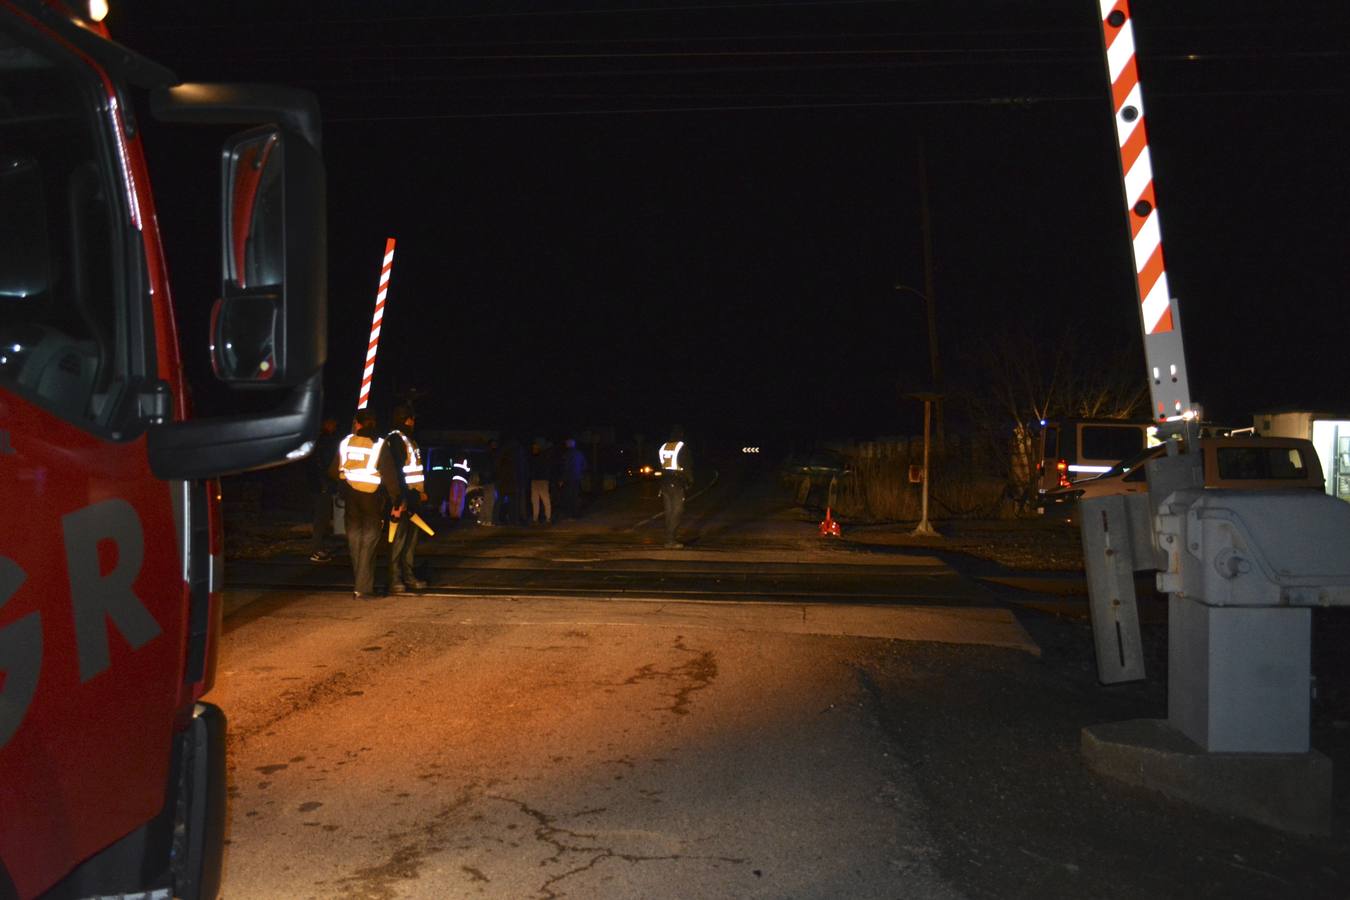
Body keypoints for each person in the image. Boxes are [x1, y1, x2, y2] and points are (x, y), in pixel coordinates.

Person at [330, 410, 401, 599]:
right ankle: (362, 588)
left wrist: (343, 482)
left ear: (358, 424)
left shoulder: (345, 443)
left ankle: (359, 584)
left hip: (351, 497)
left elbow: (333, 470)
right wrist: (397, 500)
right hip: (372, 498)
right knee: (369, 542)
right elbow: (390, 475)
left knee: (354, 541)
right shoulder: (379, 445)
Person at [385, 405, 428, 592]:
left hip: (413, 497)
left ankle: (408, 575)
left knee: (411, 540)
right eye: (412, 418)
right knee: (399, 540)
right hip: (404, 498)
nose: (414, 422)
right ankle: (395, 579)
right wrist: (400, 499)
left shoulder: (409, 439)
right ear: (406, 419)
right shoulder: (396, 439)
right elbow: (395, 471)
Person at [308, 417, 340, 561]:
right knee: (321, 517)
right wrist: (324, 484)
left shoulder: (323, 440)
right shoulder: (322, 441)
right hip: (322, 485)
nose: (334, 426)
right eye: (331, 423)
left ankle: (320, 546)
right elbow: (321, 464)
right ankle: (316, 549)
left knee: (324, 517)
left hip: (323, 484)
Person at [657, 426, 692, 548]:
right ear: (681, 435)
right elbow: (686, 465)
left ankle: (669, 538)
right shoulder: (681, 447)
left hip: (664, 482)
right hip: (676, 482)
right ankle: (671, 540)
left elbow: (660, 465)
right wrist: (689, 481)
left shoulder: (663, 446)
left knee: (669, 511)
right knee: (677, 511)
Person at [558, 437, 587, 519]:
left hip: (569, 478)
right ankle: (576, 514)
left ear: (568, 445)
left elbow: (565, 467)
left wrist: (562, 479)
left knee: (569, 496)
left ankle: (570, 514)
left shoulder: (567, 454)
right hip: (577, 478)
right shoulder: (579, 453)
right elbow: (584, 465)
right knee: (575, 496)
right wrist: (580, 473)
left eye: (566, 443)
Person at [529, 440, 552, 525]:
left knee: (544, 500)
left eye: (535, 448)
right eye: (533, 448)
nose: (534, 449)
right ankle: (536, 519)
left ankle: (547, 518)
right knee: (536, 501)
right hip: (536, 480)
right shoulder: (535, 457)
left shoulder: (542, 457)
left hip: (542, 480)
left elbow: (545, 468)